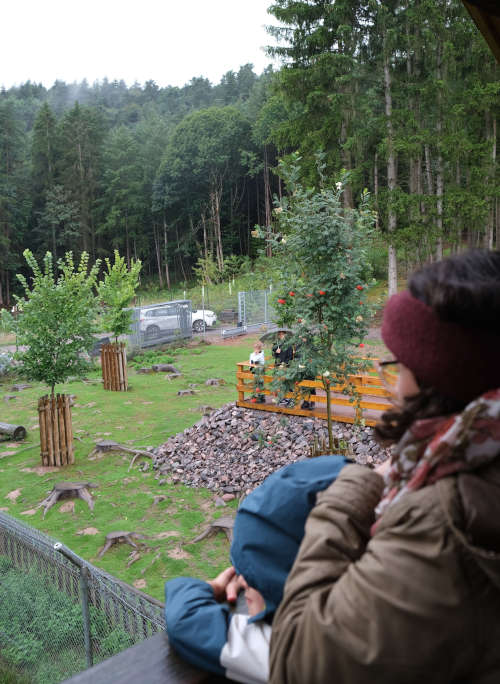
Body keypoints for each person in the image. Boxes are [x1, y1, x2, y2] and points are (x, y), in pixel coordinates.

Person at [269, 249, 500, 684]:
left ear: (443, 383)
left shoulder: (441, 521)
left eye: (400, 367)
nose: (393, 387)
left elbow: (299, 660)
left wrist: (355, 489)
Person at [164, 455, 348, 684]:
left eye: (253, 574)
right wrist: (260, 573)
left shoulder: (302, 651)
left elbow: (185, 619)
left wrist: (215, 586)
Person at [272, 331, 294, 406]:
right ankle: (281, 398)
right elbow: (274, 356)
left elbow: (290, 356)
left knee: (287, 382)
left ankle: (291, 398)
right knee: (279, 383)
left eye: (282, 334)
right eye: (279, 334)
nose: (281, 335)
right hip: (277, 365)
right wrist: (276, 352)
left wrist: (284, 364)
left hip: (285, 366)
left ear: (285, 335)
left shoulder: (288, 344)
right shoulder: (277, 344)